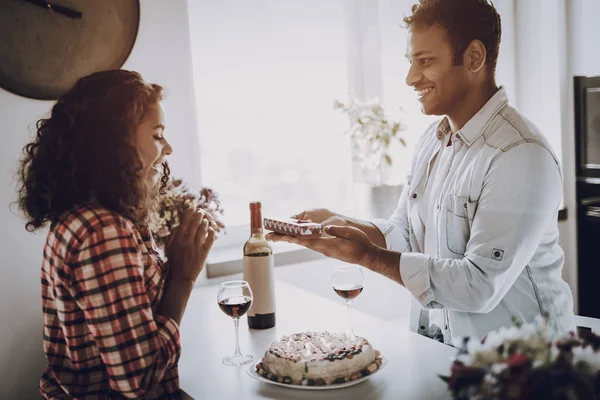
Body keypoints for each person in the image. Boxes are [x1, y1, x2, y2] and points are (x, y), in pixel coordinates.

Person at [267, 0, 575, 343]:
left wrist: (367, 256)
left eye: (425, 62)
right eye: (411, 62)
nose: (411, 78)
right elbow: (406, 233)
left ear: (474, 58)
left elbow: (479, 286)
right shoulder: (433, 141)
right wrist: (342, 225)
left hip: (528, 373)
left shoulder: (520, 155)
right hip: (446, 358)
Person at [17, 70, 216, 399]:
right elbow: (138, 381)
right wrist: (183, 277)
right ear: (117, 142)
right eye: (157, 135)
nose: (168, 148)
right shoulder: (102, 231)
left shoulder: (91, 216)